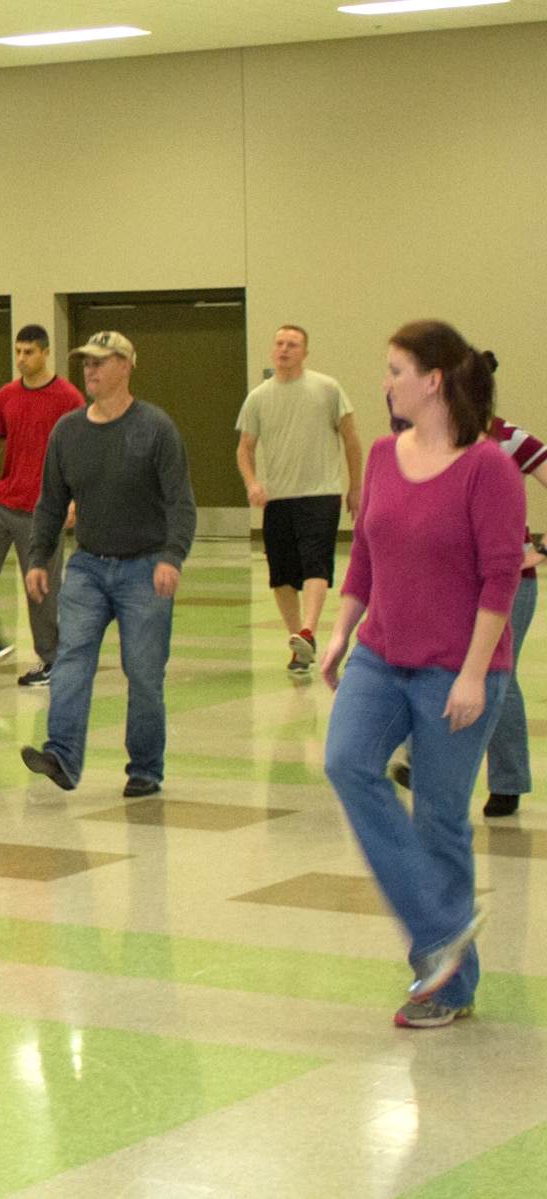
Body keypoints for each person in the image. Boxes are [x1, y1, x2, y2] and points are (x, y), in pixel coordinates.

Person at [320, 321, 520, 1029]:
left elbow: (502, 578)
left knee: (439, 819)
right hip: (381, 653)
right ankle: (443, 929)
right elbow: (366, 557)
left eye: (396, 369)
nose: (386, 382)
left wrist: (472, 675)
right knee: (346, 762)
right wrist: (342, 628)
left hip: (455, 670)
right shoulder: (380, 455)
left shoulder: (487, 466)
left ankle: (447, 982)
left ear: (434, 380)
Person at [20, 331, 196, 797]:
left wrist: (172, 557)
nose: (90, 370)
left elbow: (181, 504)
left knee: (142, 672)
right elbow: (51, 503)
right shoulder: (68, 432)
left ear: (126, 365)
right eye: (85, 362)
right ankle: (62, 755)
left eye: (100, 361)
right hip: (87, 568)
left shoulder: (156, 428)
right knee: (72, 657)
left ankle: (145, 768)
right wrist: (39, 557)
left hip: (145, 568)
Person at [390, 414, 547, 818]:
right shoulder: (420, 439)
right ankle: (419, 761)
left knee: (499, 677)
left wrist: (541, 552)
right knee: (431, 664)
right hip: (448, 580)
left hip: (509, 580)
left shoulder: (508, 438)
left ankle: (507, 782)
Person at [0, 324, 84, 686]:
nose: (22, 359)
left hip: (44, 509)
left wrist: (74, 501)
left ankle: (53, 659)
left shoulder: (68, 398)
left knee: (40, 587)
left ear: (45, 353)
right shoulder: (7, 395)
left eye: (29, 352)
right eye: (18, 351)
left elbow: (82, 454)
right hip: (2, 500)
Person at [235, 325, 363, 673]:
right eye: (279, 343)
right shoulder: (259, 397)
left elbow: (351, 439)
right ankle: (300, 642)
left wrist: (355, 487)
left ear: (305, 352)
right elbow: (245, 449)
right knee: (281, 577)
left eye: (292, 344)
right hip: (278, 498)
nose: (284, 349)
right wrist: (252, 483)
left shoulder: (327, 388)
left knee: (316, 563)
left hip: (321, 493)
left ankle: (309, 627)